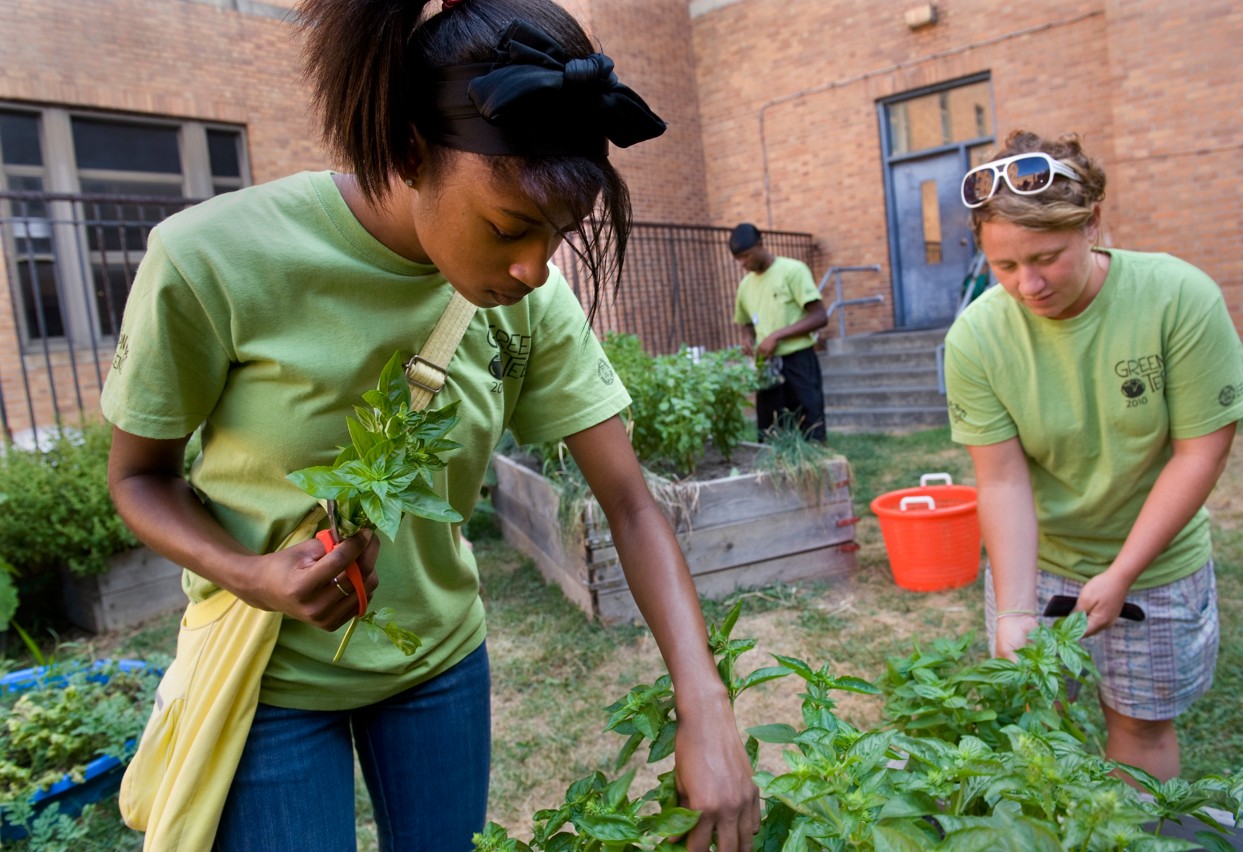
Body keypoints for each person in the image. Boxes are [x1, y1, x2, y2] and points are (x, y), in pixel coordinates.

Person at [100, 1, 759, 849]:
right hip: (269, 676)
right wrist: (252, 573)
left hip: (439, 670)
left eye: (558, 235)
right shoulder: (213, 260)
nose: (533, 269)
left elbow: (631, 504)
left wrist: (704, 703)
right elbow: (137, 476)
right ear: (410, 150)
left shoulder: (533, 302)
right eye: (508, 227)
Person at [944, 129, 1243, 782]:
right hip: (1037, 563)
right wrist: (1014, 609)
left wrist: (1123, 572)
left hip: (1156, 562)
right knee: (1040, 727)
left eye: (1046, 257)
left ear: (1092, 223)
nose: (1027, 284)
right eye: (1003, 266)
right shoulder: (975, 337)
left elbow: (1200, 452)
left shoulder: (1178, 297)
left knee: (1141, 727)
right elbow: (1002, 482)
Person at [730, 222, 829, 441]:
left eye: (746, 256)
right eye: (739, 259)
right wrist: (748, 338)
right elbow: (745, 322)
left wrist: (776, 335)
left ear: (760, 244)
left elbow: (819, 316)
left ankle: (813, 473)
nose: (743, 263)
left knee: (811, 430)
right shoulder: (745, 285)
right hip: (767, 368)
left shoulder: (793, 270)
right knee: (770, 434)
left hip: (799, 363)